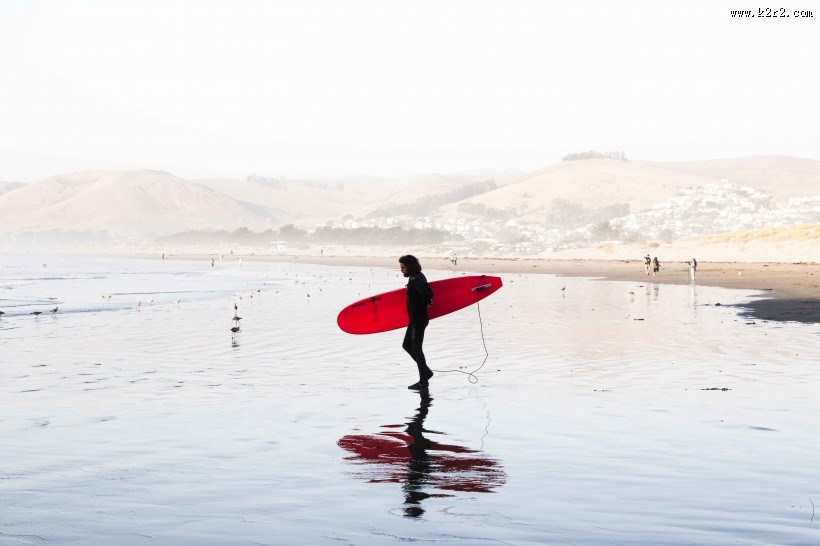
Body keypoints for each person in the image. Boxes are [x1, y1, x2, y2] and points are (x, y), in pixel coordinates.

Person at [399, 255, 434, 389]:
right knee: (407, 345)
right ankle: (427, 372)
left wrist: (429, 300)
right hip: (416, 319)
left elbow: (427, 292)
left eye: (403, 267)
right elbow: (427, 291)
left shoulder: (414, 279)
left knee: (416, 349)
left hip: (417, 320)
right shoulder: (419, 276)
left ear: (410, 266)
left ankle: (423, 381)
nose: (401, 270)